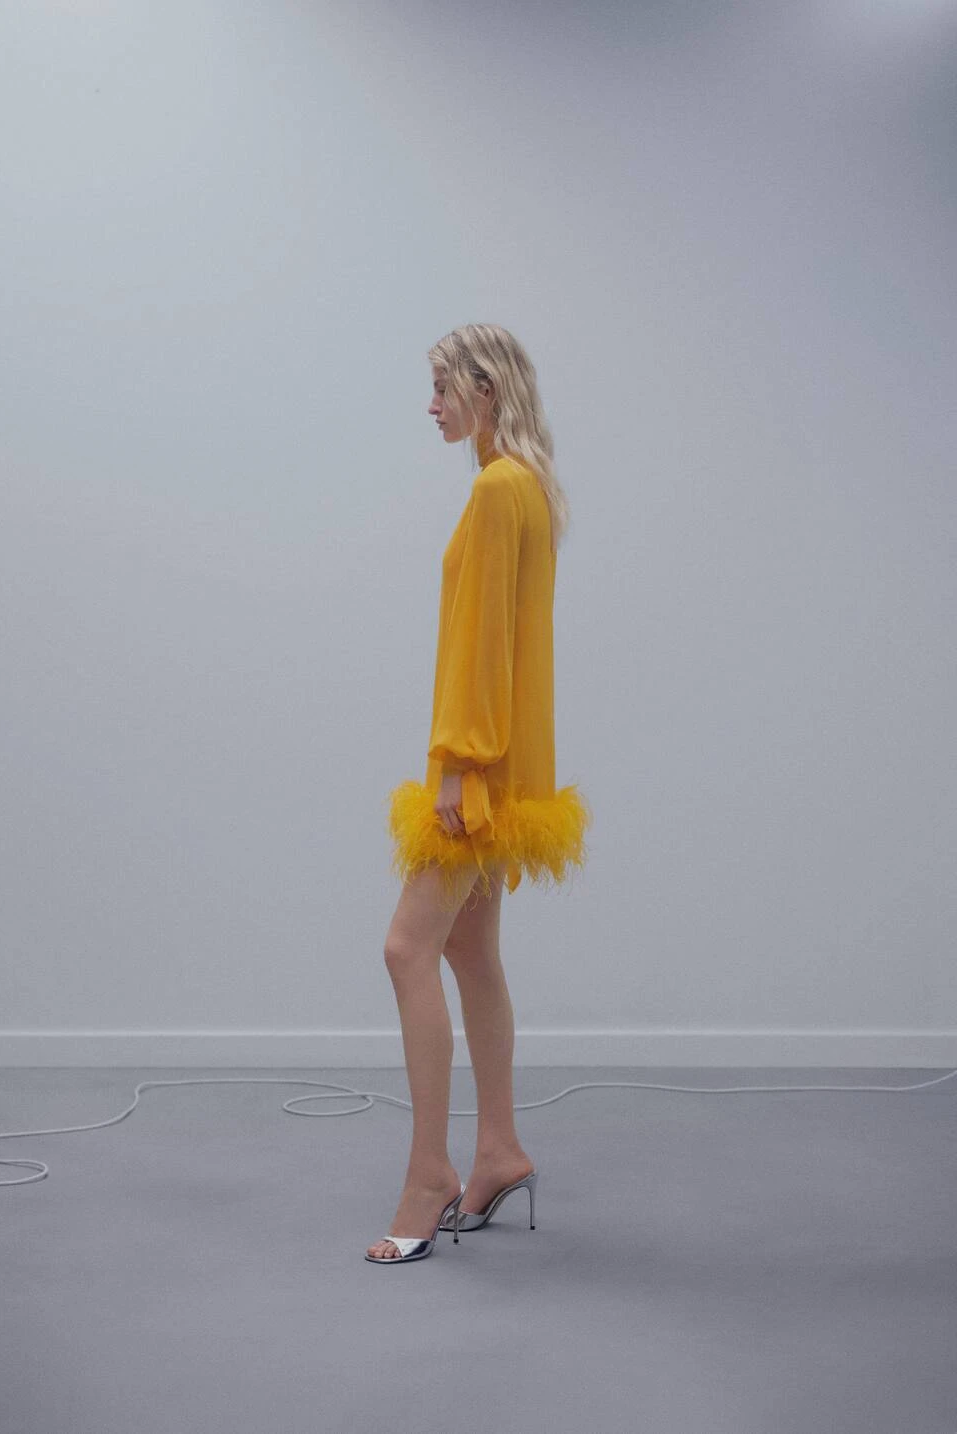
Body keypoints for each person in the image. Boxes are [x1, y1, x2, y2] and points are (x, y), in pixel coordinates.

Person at [365, 323, 591, 1262]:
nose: (431, 406)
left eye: (442, 387)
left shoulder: (499, 490)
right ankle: (498, 1148)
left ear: (486, 389)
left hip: (479, 767)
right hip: (510, 761)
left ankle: (431, 1172)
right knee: (469, 949)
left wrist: (458, 760)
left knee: (406, 949)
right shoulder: (528, 484)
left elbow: (483, 640)